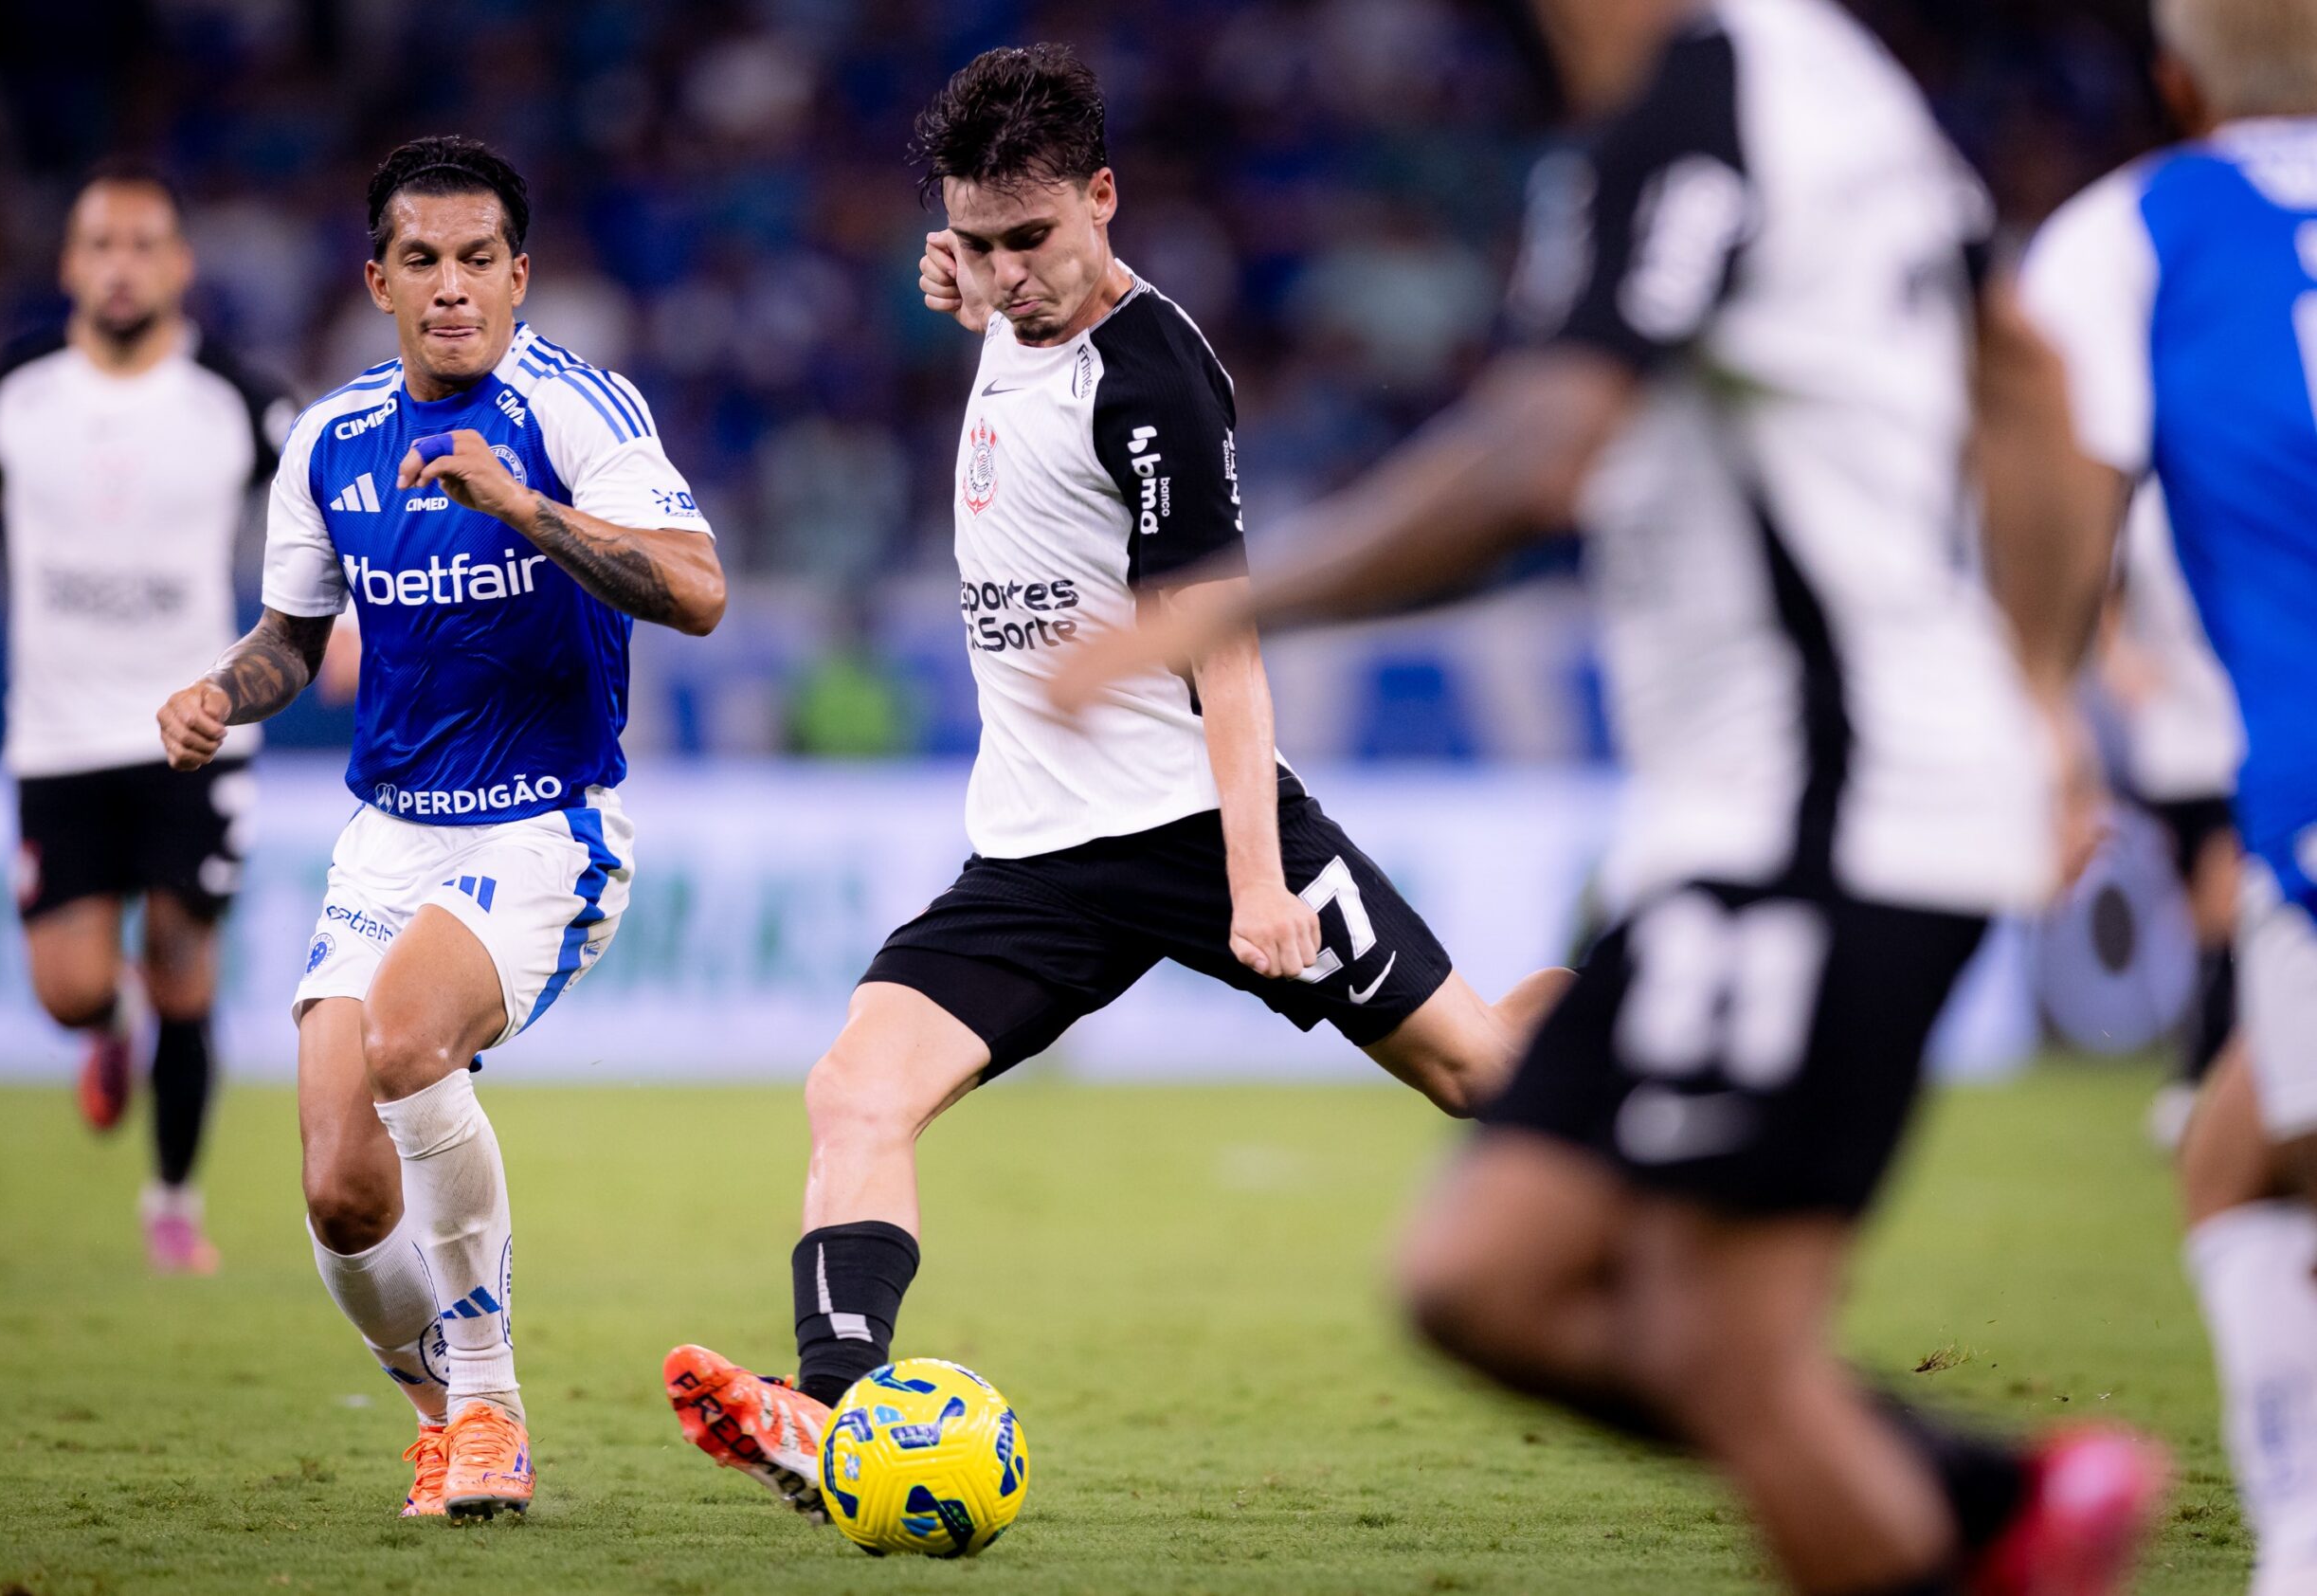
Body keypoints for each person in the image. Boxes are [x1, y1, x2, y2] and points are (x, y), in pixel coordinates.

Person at [1051, 2, 2170, 1592]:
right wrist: (2037, 698)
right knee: (1487, 1279)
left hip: (1826, 817)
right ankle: (1995, 1502)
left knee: (1718, 1339)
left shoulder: (1695, 97)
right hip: (1768, 818)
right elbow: (2032, 382)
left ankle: (1990, 1522)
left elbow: (1537, 461)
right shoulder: (1832, 84)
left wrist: (1216, 604)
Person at [657, 43, 1568, 1521]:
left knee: (1484, 1080)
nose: (1007, 274)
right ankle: (827, 1415)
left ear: (1105, 198)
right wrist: (961, 282)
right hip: (1033, 855)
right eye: (977, 243)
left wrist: (1259, 881)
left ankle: (1606, 1032)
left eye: (1035, 241)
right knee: (856, 1090)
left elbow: (1228, 649)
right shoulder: (999, 293)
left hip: (1203, 824)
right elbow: (983, 292)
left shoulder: (1152, 384)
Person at [155, 136, 726, 1521]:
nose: (454, 287)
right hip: (388, 838)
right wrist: (221, 694)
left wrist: (523, 507)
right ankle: (438, 1414)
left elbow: (700, 592)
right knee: (341, 1191)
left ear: (522, 278)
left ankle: (492, 1413)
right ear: (378, 280)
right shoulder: (330, 442)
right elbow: (295, 638)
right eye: (424, 261)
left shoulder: (577, 410)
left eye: (480, 261)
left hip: (548, 822)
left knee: (408, 1037)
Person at [2020, 0, 2317, 1585]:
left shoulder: (2140, 227)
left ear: (2177, 83)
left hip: (2306, 766)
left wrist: (2038, 717)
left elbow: (2062, 484)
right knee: (2236, 1142)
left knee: (2264, 1147)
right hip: (2268, 770)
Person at [0, 162, 291, 1274]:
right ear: (71, 264)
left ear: (178, 265)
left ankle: (172, 1202)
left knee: (184, 965)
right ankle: (105, 1030)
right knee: (71, 989)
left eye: (142, 245)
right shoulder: (15, 389)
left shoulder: (239, 398)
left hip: (198, 723)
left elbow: (318, 510)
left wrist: (334, 618)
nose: (120, 265)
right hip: (58, 732)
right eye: (100, 245)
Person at [2093, 481, 2243, 1150]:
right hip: (2171, 751)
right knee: (2206, 930)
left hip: (2244, 745)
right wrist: (2115, 660)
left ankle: (2198, 1080)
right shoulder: (2147, 509)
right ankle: (2208, 1084)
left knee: (2230, 915)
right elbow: (2100, 588)